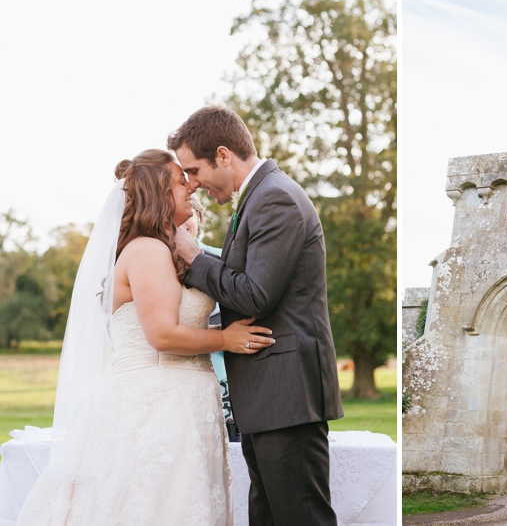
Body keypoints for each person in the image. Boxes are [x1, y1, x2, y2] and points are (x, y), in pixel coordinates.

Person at [16, 149, 275, 526]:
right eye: (179, 181)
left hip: (183, 403)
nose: (191, 187)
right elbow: (162, 334)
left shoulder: (165, 251)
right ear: (159, 195)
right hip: (157, 406)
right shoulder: (148, 251)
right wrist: (225, 339)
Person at [168, 106, 344, 526]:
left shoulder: (275, 198)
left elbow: (254, 295)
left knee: (300, 517)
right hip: (269, 397)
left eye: (194, 171)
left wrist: (193, 259)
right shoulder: (259, 198)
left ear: (224, 156)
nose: (192, 184)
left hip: (287, 395)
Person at [182, 195, 240, 442]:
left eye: (190, 215)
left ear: (199, 217)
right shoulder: (154, 262)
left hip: (226, 369)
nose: (183, 223)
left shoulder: (224, 258)